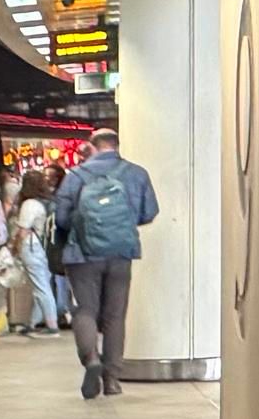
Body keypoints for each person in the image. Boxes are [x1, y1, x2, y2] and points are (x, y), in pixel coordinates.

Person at [51, 127, 158, 398]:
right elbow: (148, 213)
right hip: (121, 253)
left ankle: (91, 360)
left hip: (82, 255)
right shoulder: (136, 173)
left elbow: (61, 219)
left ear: (93, 146)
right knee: (115, 316)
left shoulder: (75, 177)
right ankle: (112, 380)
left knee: (85, 310)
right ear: (116, 145)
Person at [11, 168, 61, 333]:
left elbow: (23, 231)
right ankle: (34, 322)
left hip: (32, 248)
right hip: (45, 247)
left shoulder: (29, 204)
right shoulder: (47, 202)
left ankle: (52, 325)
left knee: (41, 287)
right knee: (42, 284)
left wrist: (14, 250)